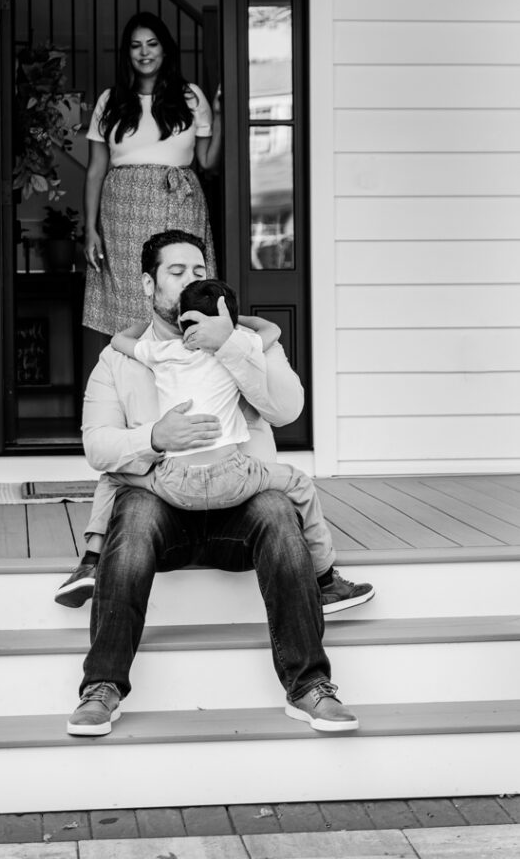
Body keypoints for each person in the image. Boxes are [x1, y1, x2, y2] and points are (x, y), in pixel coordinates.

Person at [65, 229, 360, 737]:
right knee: (132, 512)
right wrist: (156, 436)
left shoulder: (244, 339)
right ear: (147, 284)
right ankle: (102, 687)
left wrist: (232, 351)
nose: (189, 282)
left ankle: (309, 686)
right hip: (165, 502)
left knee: (276, 509)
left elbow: (287, 409)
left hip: (240, 498)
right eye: (176, 272)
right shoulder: (122, 359)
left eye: (199, 272)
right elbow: (99, 447)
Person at [56, 276, 374, 615]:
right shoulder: (237, 347)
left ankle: (91, 561)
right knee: (300, 485)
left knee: (114, 475)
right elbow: (272, 330)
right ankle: (326, 581)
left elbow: (120, 341)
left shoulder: (164, 353)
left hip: (174, 480)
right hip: (234, 477)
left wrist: (155, 321)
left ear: (182, 323)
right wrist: (234, 326)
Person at [82, 11, 221, 342]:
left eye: (152, 44)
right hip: (121, 212)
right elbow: (96, 169)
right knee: (131, 289)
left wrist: (219, 115)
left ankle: (182, 367)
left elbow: (207, 161)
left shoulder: (190, 96)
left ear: (165, 49)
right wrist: (89, 229)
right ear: (127, 53)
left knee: (179, 281)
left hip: (178, 202)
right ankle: (130, 368)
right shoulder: (110, 100)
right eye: (135, 46)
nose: (144, 52)